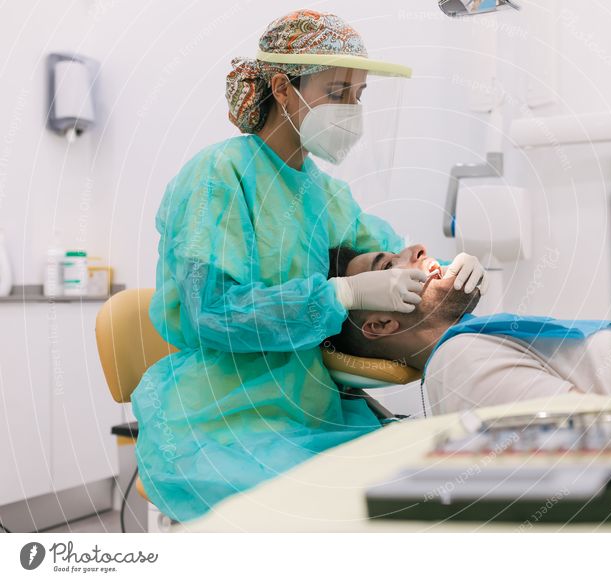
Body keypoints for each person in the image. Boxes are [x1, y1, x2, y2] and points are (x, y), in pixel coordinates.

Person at [131, 9, 487, 522]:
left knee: (416, 484)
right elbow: (211, 312)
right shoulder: (218, 176)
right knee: (316, 513)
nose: (351, 109)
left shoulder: (325, 193)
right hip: (222, 414)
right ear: (282, 87)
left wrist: (453, 269)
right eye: (338, 92)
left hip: (313, 404)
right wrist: (341, 295)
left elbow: (393, 251)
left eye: (359, 96)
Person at [326, 244, 611, 423]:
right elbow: (598, 444)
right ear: (381, 324)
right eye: (388, 266)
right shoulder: (457, 365)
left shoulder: (477, 340)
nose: (416, 248)